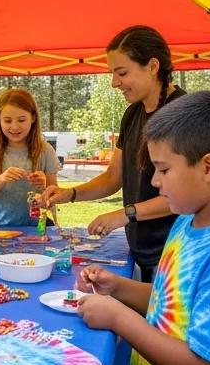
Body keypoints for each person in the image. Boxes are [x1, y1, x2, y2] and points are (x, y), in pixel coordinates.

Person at [77, 91, 210, 365]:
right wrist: (117, 288)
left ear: (209, 168)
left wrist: (119, 319)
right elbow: (170, 303)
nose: (155, 182)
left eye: (162, 169)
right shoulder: (186, 221)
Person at [42, 26, 184, 280]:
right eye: (113, 73)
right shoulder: (132, 114)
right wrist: (70, 194)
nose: (114, 83)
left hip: (175, 255)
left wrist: (126, 214)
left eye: (122, 73)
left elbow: (182, 195)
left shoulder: (182, 114)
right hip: (141, 252)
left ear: (152, 66)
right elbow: (112, 178)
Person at [0, 89, 60, 228]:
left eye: (21, 120)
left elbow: (53, 201)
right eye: (7, 120)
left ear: (33, 118)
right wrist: (1, 179)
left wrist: (44, 187)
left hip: (35, 229)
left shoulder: (45, 150)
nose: (14, 126)